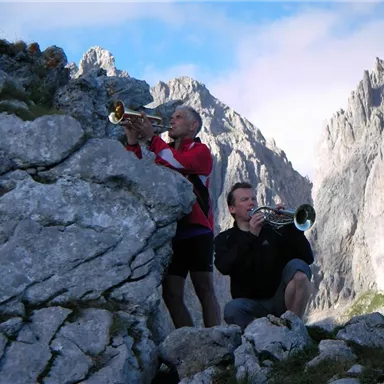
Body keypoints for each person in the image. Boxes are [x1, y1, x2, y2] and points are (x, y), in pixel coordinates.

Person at [124, 105, 221, 329]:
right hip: (171, 229)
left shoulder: (201, 151)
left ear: (193, 125)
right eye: (172, 117)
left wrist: (150, 139)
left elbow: (179, 162)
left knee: (204, 287)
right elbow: (138, 170)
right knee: (171, 292)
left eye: (178, 118)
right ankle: (191, 343)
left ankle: (217, 336)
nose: (172, 121)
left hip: (197, 228)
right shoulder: (163, 150)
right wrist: (132, 141)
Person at [214, 182, 314, 331]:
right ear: (232, 209)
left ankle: (294, 329)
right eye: (244, 200)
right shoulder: (225, 238)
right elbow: (224, 266)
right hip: (249, 304)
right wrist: (252, 236)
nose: (251, 202)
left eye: (253, 199)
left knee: (299, 270)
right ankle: (260, 340)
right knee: (232, 309)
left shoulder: (272, 230)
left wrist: (291, 228)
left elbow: (307, 259)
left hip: (280, 299)